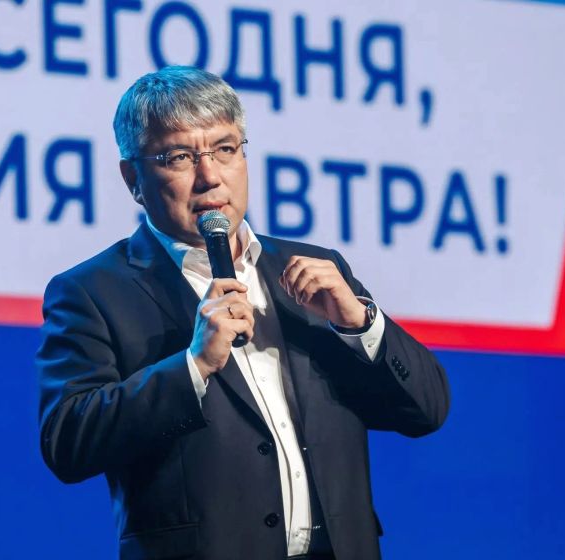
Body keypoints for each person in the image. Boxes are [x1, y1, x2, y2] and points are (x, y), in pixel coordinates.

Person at [37, 66, 450, 560]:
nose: (210, 176)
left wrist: (358, 323)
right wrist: (193, 366)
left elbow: (427, 410)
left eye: (225, 149)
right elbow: (68, 441)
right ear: (134, 179)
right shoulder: (92, 292)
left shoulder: (315, 270)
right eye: (180, 157)